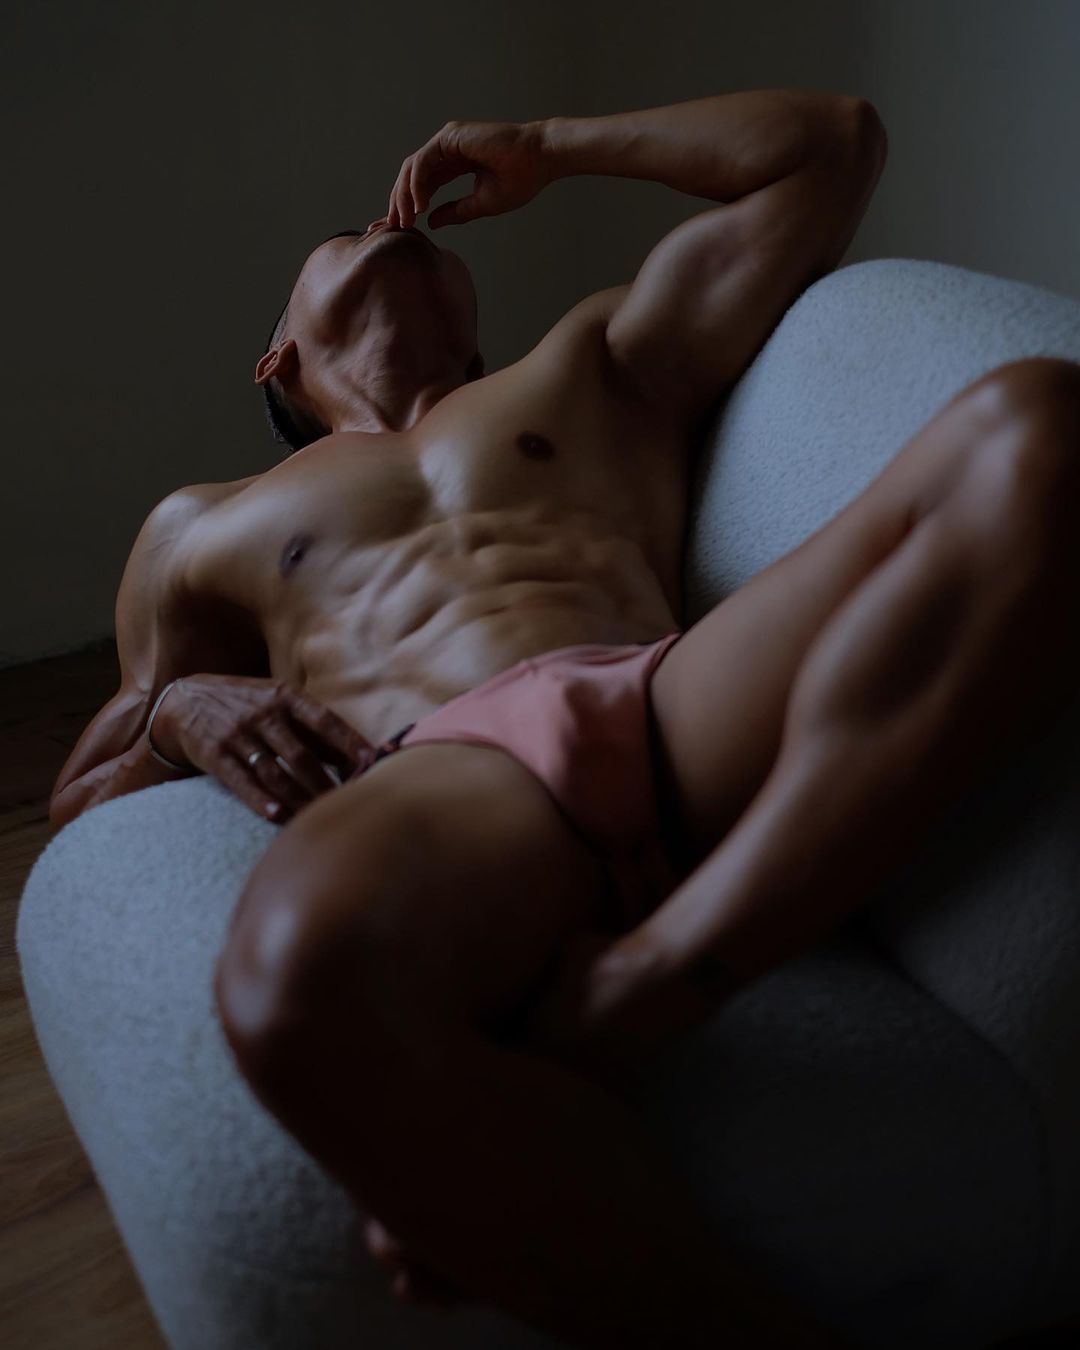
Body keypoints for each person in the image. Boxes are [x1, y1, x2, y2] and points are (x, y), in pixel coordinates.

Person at [49, 91, 1080, 1348]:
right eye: (345, 234)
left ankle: (661, 974)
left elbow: (833, 146)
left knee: (1040, 422)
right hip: (450, 777)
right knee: (289, 991)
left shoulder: (591, 362)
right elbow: (80, 800)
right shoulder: (201, 523)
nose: (382, 222)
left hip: (675, 698)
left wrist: (548, 148)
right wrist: (179, 711)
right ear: (278, 362)